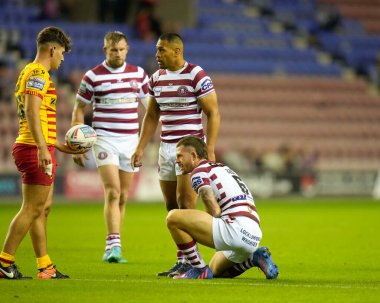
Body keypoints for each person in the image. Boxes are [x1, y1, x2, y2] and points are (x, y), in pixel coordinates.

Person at [0, 26, 88, 280]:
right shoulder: (38, 73)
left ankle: (45, 266)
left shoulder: (29, 72)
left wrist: (56, 145)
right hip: (32, 146)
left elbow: (36, 115)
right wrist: (41, 147)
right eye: (62, 53)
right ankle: (5, 262)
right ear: (52, 49)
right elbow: (31, 111)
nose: (62, 58)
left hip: (35, 144)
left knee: (41, 208)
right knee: (31, 208)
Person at [131, 33, 220, 276]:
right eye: (157, 50)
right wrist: (140, 147)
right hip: (166, 148)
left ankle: (195, 262)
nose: (157, 55)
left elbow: (213, 113)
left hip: (190, 148)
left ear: (177, 51)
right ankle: (184, 259)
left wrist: (209, 148)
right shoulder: (156, 79)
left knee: (186, 204)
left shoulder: (196, 75)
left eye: (162, 50)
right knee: (171, 207)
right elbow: (151, 116)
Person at [71, 31, 149, 263]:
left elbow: (151, 110)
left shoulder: (139, 74)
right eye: (113, 49)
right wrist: (78, 143)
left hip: (130, 141)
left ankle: (114, 245)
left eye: (122, 49)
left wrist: (143, 144)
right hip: (104, 138)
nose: (118, 53)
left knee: (123, 196)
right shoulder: (93, 76)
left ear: (127, 49)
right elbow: (78, 109)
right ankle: (113, 246)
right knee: (113, 191)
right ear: (105, 50)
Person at [166, 136, 279, 279]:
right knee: (215, 270)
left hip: (235, 229)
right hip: (254, 234)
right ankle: (253, 258)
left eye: (179, 156)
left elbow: (213, 209)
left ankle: (199, 269)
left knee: (173, 217)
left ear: (193, 155)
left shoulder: (199, 171)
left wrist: (199, 226)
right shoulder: (222, 168)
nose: (177, 161)